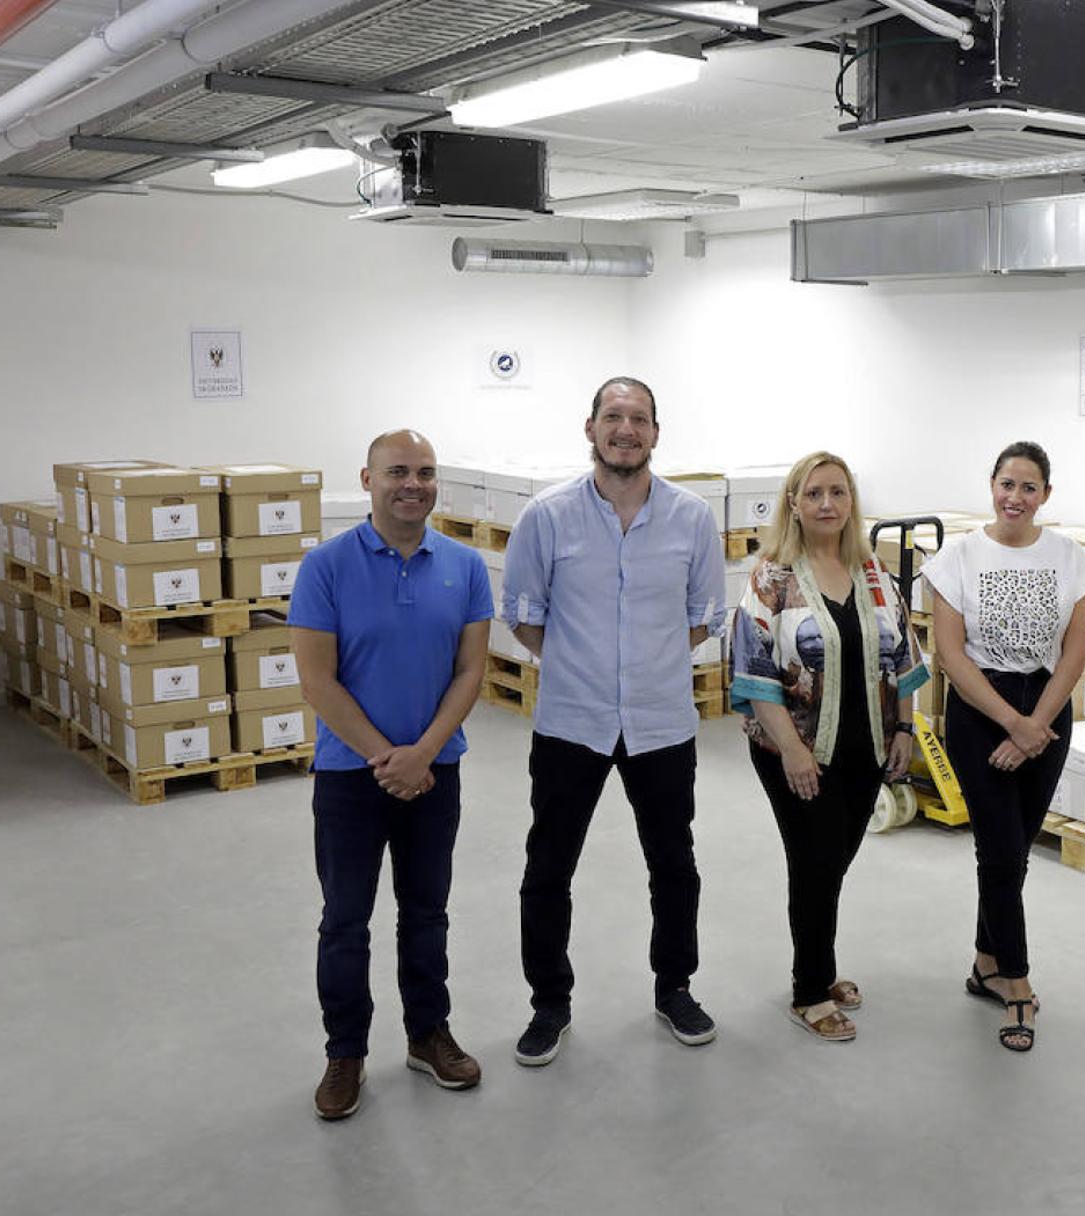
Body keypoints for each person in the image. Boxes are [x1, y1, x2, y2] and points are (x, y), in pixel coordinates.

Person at [500, 376, 727, 1064]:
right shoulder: (548, 516)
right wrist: (585, 667)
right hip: (573, 721)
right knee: (548, 867)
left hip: (661, 723)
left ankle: (675, 987)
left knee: (673, 865)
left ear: (656, 433)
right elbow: (523, 616)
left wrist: (644, 668)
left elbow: (704, 616)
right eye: (613, 416)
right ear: (590, 427)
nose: (625, 429)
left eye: (639, 419)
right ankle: (549, 1003)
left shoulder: (691, 518)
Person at [289, 429, 493, 1121]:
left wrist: (424, 752)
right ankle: (345, 1052)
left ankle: (427, 1034)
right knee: (345, 921)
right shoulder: (326, 566)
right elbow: (318, 681)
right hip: (351, 777)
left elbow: (471, 671)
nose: (414, 484)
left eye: (426, 472)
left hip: (436, 774)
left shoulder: (464, 566)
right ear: (368, 479)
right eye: (398, 472)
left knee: (426, 911)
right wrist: (388, 756)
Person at [729, 452, 928, 1041]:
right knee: (814, 861)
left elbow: (904, 657)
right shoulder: (773, 575)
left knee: (835, 859)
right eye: (813, 493)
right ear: (793, 502)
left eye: (837, 493)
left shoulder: (873, 573)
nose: (826, 504)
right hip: (793, 748)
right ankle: (809, 990)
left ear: (851, 502)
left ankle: (821, 964)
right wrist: (792, 751)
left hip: (864, 744)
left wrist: (903, 729)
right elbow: (755, 667)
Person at [921, 441, 1085, 1052]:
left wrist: (1036, 724)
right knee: (998, 855)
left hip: (1047, 710)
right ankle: (1018, 985)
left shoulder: (1070, 558)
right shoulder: (958, 557)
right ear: (990, 486)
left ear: (1046, 494)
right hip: (979, 711)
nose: (1015, 497)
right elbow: (949, 653)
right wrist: (1012, 723)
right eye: (1006, 484)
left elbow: (1076, 651)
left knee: (1013, 853)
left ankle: (984, 964)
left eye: (1029, 487)